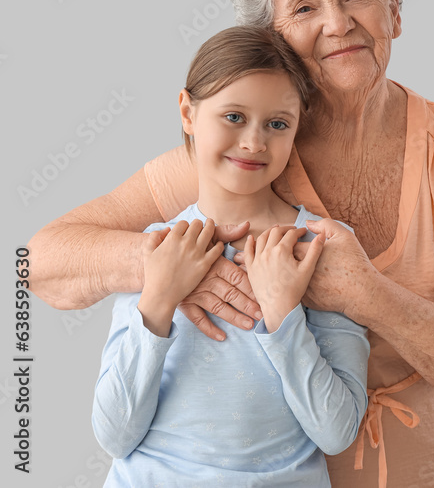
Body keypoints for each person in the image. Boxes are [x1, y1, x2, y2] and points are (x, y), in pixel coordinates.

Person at [29, 0, 434, 488]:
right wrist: (181, 265)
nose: (338, 23)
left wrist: (364, 293)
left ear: (393, 10)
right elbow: (42, 260)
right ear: (274, 39)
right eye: (304, 7)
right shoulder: (248, 155)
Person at [92, 27, 369, 486]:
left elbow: (336, 432)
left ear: (297, 127)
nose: (254, 142)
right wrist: (158, 300)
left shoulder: (324, 245)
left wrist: (283, 314)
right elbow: (114, 436)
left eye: (277, 123)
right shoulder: (157, 248)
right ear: (187, 112)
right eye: (234, 116)